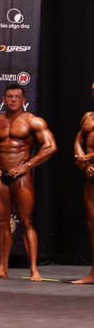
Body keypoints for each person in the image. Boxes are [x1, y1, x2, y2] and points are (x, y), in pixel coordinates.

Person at [0, 84, 56, 281]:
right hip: (0, 176)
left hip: (21, 177)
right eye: (10, 97)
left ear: (23, 100)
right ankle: (2, 268)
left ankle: (34, 269)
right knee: (2, 223)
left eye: (17, 97)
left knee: (26, 222)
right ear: (3, 100)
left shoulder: (33, 121)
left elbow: (50, 147)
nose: (13, 100)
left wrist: (28, 165)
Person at [71, 83, 94, 283]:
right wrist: (83, 162)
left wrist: (87, 158)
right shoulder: (88, 117)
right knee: (92, 223)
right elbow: (79, 140)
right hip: (91, 176)